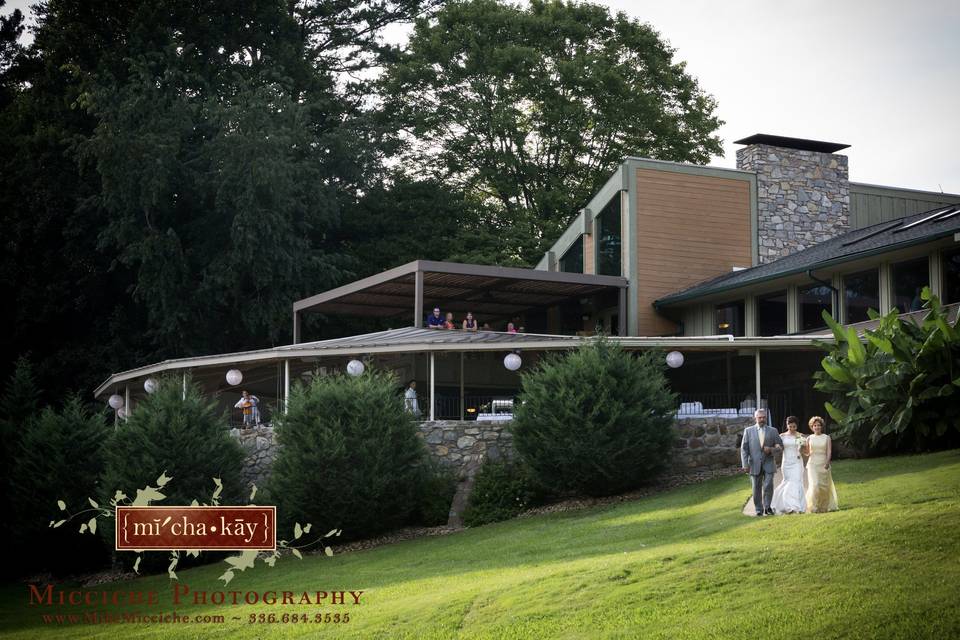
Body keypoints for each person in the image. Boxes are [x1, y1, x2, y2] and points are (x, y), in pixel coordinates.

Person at [740, 408, 783, 516]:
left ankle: (768, 507)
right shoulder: (748, 431)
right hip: (754, 464)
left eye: (764, 417)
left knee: (768, 485)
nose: (762, 419)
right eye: (760, 417)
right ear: (755, 418)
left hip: (769, 462)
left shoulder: (773, 431)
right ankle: (759, 509)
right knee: (756, 488)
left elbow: (780, 446)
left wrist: (771, 449)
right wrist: (745, 464)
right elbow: (744, 449)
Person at [771, 416, 806, 514]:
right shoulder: (782, 436)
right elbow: (778, 447)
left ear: (796, 426)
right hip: (786, 463)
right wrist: (777, 446)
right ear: (787, 425)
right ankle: (785, 504)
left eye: (794, 427)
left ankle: (794, 506)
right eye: (790, 427)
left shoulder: (800, 436)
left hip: (797, 462)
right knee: (787, 482)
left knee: (795, 482)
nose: (792, 429)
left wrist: (802, 448)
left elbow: (803, 450)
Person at [804, 416, 838, 512]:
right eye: (815, 425)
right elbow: (807, 453)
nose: (817, 427)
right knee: (815, 485)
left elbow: (829, 451)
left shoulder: (827, 438)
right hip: (812, 464)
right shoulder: (809, 438)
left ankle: (823, 507)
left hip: (823, 463)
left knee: (824, 486)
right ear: (812, 427)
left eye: (818, 425)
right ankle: (813, 507)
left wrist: (827, 462)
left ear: (821, 426)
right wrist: (801, 448)